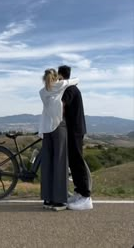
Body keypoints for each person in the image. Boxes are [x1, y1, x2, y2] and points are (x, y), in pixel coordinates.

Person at [39, 68, 79, 211]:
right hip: (59, 126)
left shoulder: (42, 92)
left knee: (48, 163)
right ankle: (59, 201)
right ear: (58, 77)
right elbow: (76, 80)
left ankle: (47, 199)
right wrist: (63, 80)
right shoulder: (60, 85)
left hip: (46, 128)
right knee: (60, 162)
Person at [58, 65, 93, 211]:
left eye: (58, 77)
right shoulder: (72, 89)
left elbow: (61, 106)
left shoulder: (70, 89)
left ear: (61, 76)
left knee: (77, 162)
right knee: (73, 162)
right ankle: (78, 193)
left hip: (75, 131)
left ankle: (86, 197)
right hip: (74, 130)